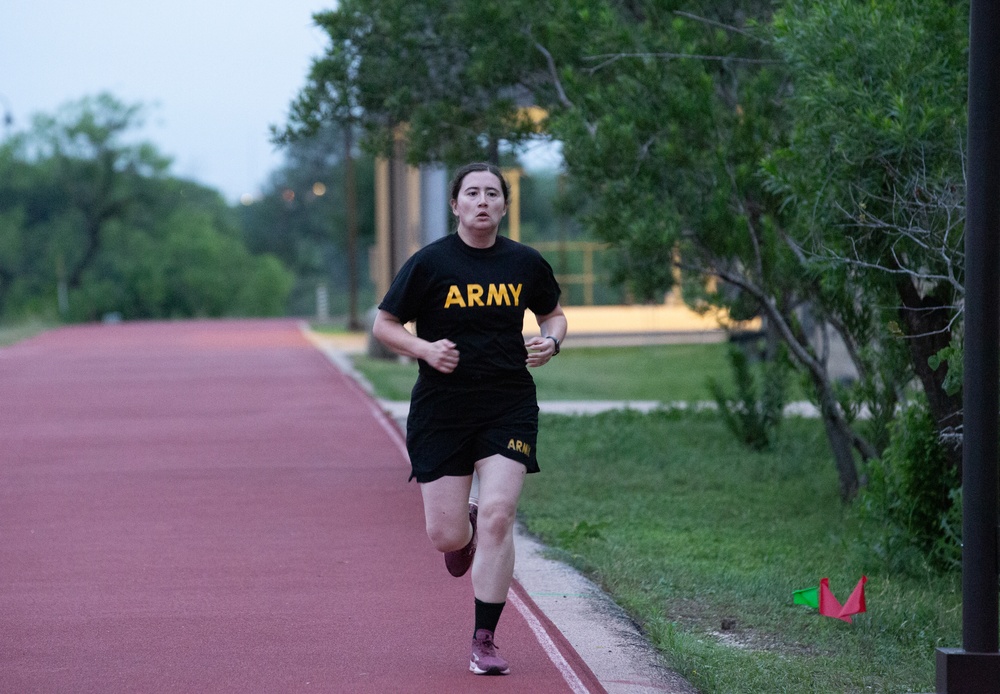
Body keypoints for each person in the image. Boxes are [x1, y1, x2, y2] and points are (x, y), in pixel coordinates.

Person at [372, 162, 567, 676]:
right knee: (445, 536)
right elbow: (384, 323)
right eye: (472, 193)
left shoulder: (524, 263)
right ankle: (468, 524)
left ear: (504, 205)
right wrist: (424, 349)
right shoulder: (430, 263)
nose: (482, 201)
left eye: (492, 193)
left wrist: (552, 340)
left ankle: (484, 639)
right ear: (455, 205)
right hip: (442, 410)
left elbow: (553, 314)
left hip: (508, 404)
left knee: (502, 513)